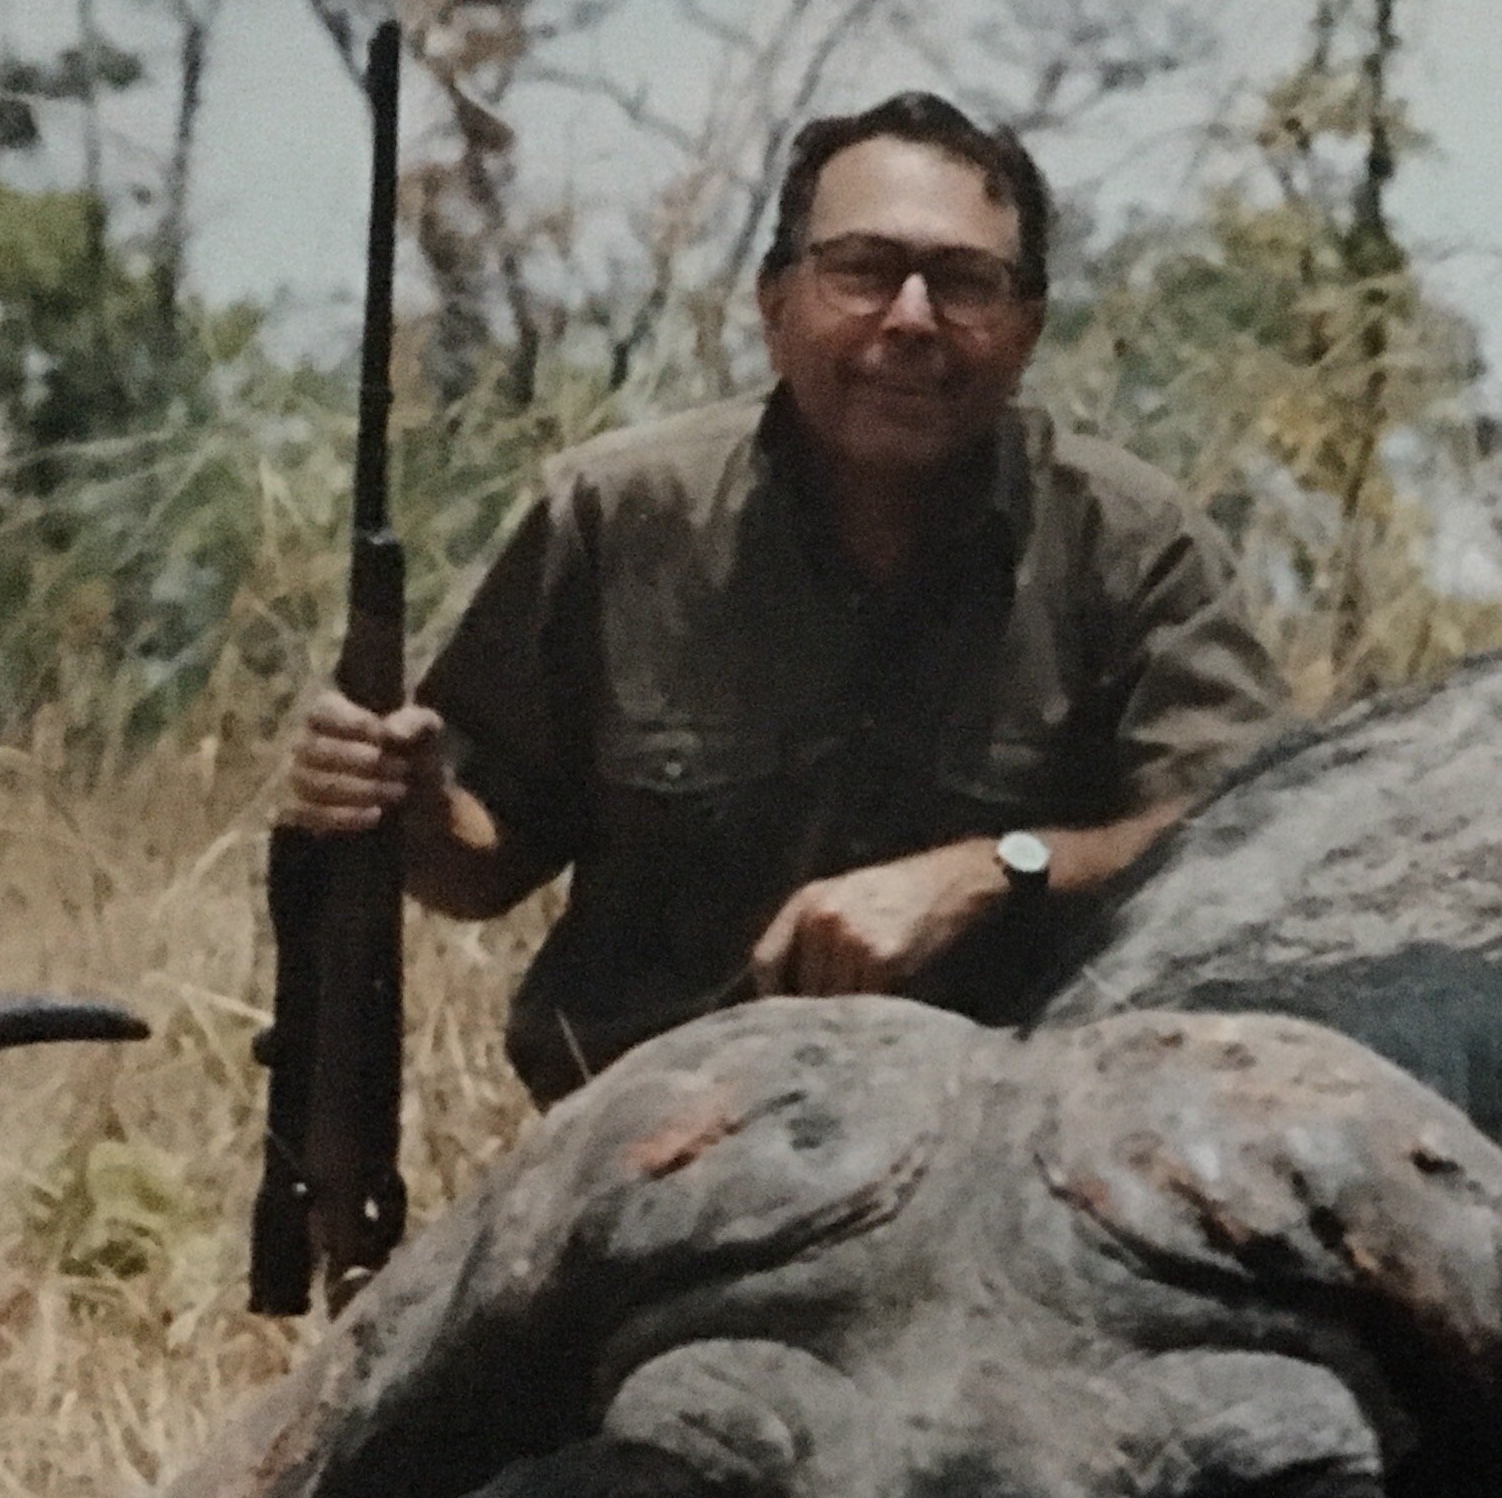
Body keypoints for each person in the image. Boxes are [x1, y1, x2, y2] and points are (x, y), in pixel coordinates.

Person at [281, 92, 1288, 1104]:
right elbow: (479, 862)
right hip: (654, 1147)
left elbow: (1252, 837)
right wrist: (404, 807)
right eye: (861, 271)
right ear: (774, 305)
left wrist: (995, 869)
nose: (910, 319)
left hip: (1006, 1144)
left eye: (963, 283)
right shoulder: (617, 514)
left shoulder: (1134, 541)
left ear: (1026, 329)